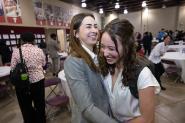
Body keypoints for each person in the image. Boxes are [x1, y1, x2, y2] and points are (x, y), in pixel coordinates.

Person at [99, 18, 160, 123]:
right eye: (102, 47)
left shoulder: (143, 74)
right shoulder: (109, 65)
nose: (105, 53)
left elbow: (147, 119)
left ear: (127, 46)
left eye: (111, 48)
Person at [64, 13, 118, 123]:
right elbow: (87, 108)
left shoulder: (98, 55)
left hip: (105, 113)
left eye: (95, 26)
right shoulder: (73, 61)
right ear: (76, 33)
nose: (94, 30)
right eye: (88, 26)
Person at [11, 32, 46, 123]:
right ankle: (41, 120)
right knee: (40, 104)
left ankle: (30, 120)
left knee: (25, 105)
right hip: (38, 80)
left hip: (22, 83)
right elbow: (44, 63)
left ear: (21, 40)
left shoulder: (16, 51)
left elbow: (13, 68)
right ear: (33, 40)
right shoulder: (39, 50)